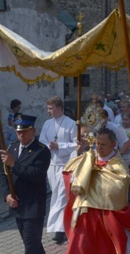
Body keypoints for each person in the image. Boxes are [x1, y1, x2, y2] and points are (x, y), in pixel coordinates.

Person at [0, 114, 52, 254]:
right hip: (17, 204)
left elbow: (36, 175)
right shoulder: (12, 148)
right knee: (30, 241)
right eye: (18, 131)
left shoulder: (42, 151)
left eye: (24, 132)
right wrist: (6, 195)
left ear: (33, 131)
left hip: (33, 205)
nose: (20, 135)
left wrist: (14, 164)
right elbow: (4, 176)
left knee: (29, 245)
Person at [39, 96, 77, 245]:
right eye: (48, 108)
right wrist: (49, 145)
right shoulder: (47, 124)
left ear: (59, 108)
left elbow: (75, 144)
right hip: (52, 164)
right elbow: (42, 140)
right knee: (56, 194)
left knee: (61, 196)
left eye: (51, 108)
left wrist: (59, 146)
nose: (48, 111)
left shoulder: (71, 124)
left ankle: (59, 230)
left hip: (65, 165)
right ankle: (64, 225)